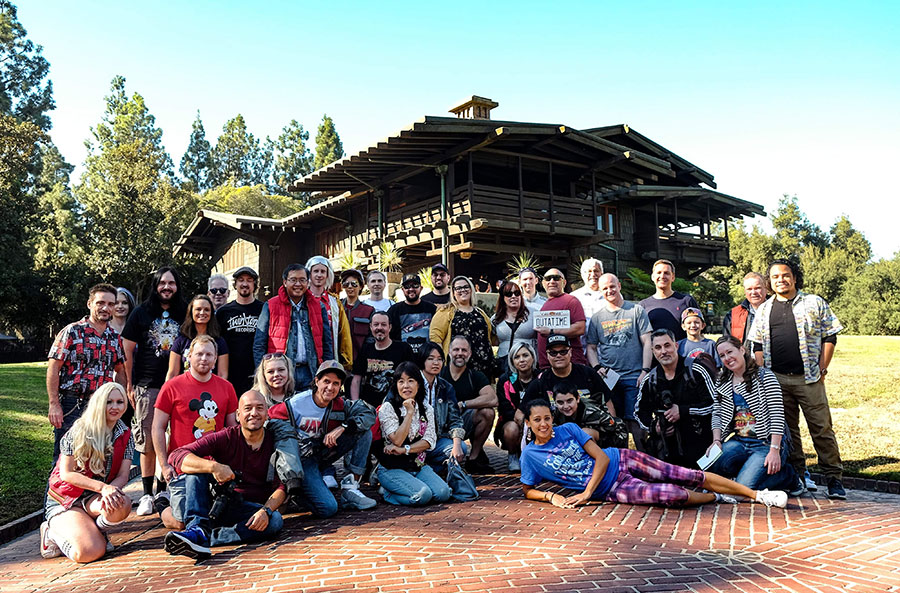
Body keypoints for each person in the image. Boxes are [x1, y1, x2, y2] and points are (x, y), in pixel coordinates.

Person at [519, 399, 788, 509]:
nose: (544, 424)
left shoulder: (569, 429)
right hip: (612, 489)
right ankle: (717, 496)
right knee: (670, 495)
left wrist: (587, 493)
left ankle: (758, 496)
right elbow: (527, 489)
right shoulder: (530, 455)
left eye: (547, 418)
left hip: (620, 459)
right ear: (528, 423)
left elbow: (600, 457)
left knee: (684, 474)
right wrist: (551, 496)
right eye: (537, 420)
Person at [747, 258, 846, 499]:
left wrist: (822, 367)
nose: (780, 280)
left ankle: (834, 479)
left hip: (809, 378)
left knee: (821, 429)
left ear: (794, 277)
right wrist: (763, 375)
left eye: (785, 275)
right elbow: (757, 345)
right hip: (776, 380)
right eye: (775, 277)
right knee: (788, 431)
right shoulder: (764, 309)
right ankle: (799, 476)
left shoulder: (814, 302)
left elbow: (830, 336)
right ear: (769, 281)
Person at [163, 391, 286, 560]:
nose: (254, 413)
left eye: (259, 408)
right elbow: (177, 455)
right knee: (196, 469)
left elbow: (282, 486)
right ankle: (196, 529)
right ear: (238, 414)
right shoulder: (227, 436)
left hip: (249, 509)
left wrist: (266, 510)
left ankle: (205, 538)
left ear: (267, 413)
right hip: (216, 504)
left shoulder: (276, 442)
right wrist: (214, 467)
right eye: (248, 408)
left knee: (275, 521)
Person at [268, 361, 377, 515]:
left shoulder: (340, 404)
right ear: (316, 381)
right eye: (326, 381)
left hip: (323, 453)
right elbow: (269, 419)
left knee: (364, 432)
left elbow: (369, 413)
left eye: (336, 383)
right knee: (328, 508)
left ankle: (351, 488)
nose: (330, 387)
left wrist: (343, 427)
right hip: (302, 461)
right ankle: (298, 495)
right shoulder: (297, 403)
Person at [40, 383, 133, 563]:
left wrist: (110, 491)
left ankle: (98, 531)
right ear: (99, 403)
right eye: (109, 402)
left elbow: (123, 475)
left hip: (93, 498)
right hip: (66, 500)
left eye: (120, 402)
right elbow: (66, 474)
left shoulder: (126, 434)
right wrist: (103, 488)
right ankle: (50, 533)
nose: (115, 407)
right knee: (89, 552)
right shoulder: (80, 430)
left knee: (121, 503)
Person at [153, 335, 239, 529]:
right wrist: (164, 465)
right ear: (188, 356)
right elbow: (157, 427)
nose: (204, 358)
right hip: (183, 466)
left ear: (216, 359)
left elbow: (232, 429)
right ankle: (162, 504)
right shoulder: (172, 386)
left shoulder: (227, 388)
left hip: (215, 465)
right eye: (199, 354)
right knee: (183, 522)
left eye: (209, 354)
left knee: (218, 517)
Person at [121, 266, 186, 516]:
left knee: (174, 438)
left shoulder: (184, 311)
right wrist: (128, 384)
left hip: (178, 385)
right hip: (147, 385)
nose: (166, 288)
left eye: (171, 283)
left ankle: (164, 488)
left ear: (177, 286)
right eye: (162, 283)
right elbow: (126, 350)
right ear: (155, 286)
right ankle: (147, 493)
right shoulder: (141, 312)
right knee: (147, 440)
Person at [47, 283, 125, 465]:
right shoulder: (72, 331)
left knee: (96, 459)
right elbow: (53, 368)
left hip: (100, 406)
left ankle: (89, 494)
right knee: (63, 459)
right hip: (72, 404)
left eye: (111, 304)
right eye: (100, 303)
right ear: (90, 303)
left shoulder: (114, 337)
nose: (106, 308)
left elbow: (120, 371)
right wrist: (54, 404)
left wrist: (120, 401)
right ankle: (54, 495)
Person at [708, 336, 798, 493]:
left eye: (730, 352)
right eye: (722, 355)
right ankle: (745, 473)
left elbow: (777, 415)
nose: (727, 358)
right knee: (711, 469)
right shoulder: (722, 380)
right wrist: (717, 440)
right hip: (740, 441)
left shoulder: (765, 377)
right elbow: (717, 413)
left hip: (766, 443)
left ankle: (789, 476)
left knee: (744, 489)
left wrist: (774, 450)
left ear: (742, 350)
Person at [586, 272, 653, 447]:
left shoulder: (636, 310)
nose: (609, 290)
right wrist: (596, 367)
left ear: (619, 286)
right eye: (605, 288)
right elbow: (591, 347)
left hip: (634, 375)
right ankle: (619, 459)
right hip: (609, 378)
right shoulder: (597, 318)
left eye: (612, 286)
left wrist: (645, 371)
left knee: (635, 420)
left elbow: (647, 342)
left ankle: (642, 457)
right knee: (613, 422)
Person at [375, 362, 453, 506]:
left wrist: (406, 450)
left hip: (417, 466)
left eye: (411, 381)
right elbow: (397, 440)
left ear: (418, 384)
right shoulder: (388, 408)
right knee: (423, 495)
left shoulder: (426, 408)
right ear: (396, 385)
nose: (406, 386)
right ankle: (388, 494)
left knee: (443, 493)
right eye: (401, 381)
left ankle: (406, 488)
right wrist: (409, 412)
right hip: (391, 468)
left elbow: (429, 441)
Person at [635, 330, 715, 469]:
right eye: (658, 348)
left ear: (676, 346)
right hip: (667, 448)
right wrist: (655, 428)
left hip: (700, 442)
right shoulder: (650, 379)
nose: (664, 351)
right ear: (653, 351)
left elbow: (715, 405)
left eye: (667, 345)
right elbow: (639, 412)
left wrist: (683, 411)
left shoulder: (696, 370)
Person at [253, 264, 334, 390]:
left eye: (302, 280)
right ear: (285, 282)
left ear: (308, 283)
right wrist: (262, 373)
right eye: (293, 280)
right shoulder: (270, 305)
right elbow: (259, 344)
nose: (298, 284)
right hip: (281, 374)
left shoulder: (318, 306)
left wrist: (328, 371)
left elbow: (327, 342)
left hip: (311, 371)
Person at [440, 335, 497, 474]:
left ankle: (474, 459)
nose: (460, 353)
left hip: (464, 421)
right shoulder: (439, 373)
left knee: (488, 413)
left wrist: (464, 404)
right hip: (440, 423)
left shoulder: (475, 376)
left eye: (464, 350)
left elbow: (493, 399)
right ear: (449, 351)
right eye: (456, 349)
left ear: (470, 353)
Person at [525, 334, 613, 412]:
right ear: (547, 355)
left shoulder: (588, 374)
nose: (558, 356)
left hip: (586, 426)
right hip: (554, 428)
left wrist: (613, 427)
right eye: (553, 353)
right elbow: (521, 412)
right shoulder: (541, 380)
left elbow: (607, 401)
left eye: (563, 351)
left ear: (570, 352)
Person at [430, 275, 495, 379]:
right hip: (458, 367)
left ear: (471, 289)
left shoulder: (480, 313)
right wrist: (440, 363)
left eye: (466, 287)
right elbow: (435, 339)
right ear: (453, 292)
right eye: (458, 288)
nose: (462, 290)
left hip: (484, 366)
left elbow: (490, 336)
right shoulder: (446, 311)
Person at [215, 266, 264, 397]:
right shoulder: (223, 312)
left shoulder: (264, 309)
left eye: (249, 280)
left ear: (255, 284)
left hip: (256, 372)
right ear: (235, 284)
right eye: (241, 280)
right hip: (230, 372)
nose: (244, 284)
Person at [351, 311, 416, 408]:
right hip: (369, 408)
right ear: (371, 327)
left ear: (390, 327)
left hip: (396, 407)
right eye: (376, 324)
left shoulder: (403, 349)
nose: (379, 328)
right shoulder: (365, 349)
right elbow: (356, 380)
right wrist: (355, 404)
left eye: (383, 325)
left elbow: (414, 379)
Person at [419, 342, 467, 470]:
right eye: (430, 359)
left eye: (439, 359)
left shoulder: (446, 387)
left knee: (461, 447)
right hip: (413, 442)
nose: (436, 363)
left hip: (436, 440)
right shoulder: (411, 383)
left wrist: (456, 445)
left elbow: (455, 419)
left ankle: (428, 468)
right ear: (422, 360)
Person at [495, 341, 538, 472]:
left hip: (535, 421)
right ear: (512, 361)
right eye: (517, 357)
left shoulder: (541, 377)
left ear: (533, 357)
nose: (522, 360)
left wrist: (528, 419)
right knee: (511, 429)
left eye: (525, 355)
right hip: (512, 422)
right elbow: (504, 407)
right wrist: (519, 420)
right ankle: (513, 455)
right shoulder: (505, 380)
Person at [166, 294, 229, 382]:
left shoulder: (220, 342)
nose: (202, 313)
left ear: (211, 313)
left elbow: (222, 374)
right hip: (185, 390)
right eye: (198, 309)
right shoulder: (180, 341)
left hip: (210, 392)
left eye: (206, 310)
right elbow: (172, 373)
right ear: (191, 312)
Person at [306, 255, 353, 369]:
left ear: (328, 275)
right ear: (309, 274)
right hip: (306, 359)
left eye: (323, 271)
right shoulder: (301, 299)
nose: (319, 275)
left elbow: (343, 332)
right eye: (315, 271)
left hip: (330, 357)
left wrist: (346, 362)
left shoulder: (334, 302)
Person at [536, 268, 587, 368]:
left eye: (556, 278)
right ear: (543, 283)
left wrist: (552, 331)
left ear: (564, 282)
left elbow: (580, 328)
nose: (552, 281)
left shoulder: (571, 301)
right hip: (548, 367)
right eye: (548, 278)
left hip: (570, 366)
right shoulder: (544, 305)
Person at [639, 259, 700, 341]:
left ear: (673, 277)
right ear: (653, 277)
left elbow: (698, 331)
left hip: (683, 352)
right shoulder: (643, 306)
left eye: (666, 273)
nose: (662, 276)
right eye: (659, 273)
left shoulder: (686, 301)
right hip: (655, 353)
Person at [552, 383, 627, 449]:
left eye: (569, 401)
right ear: (555, 402)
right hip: (583, 439)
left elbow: (613, 427)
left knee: (585, 433)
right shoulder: (557, 413)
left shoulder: (592, 412)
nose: (565, 406)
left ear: (577, 398)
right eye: (560, 402)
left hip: (615, 437)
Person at [492, 280, 536, 378]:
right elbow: (492, 339)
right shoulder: (496, 318)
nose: (513, 296)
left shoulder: (534, 314)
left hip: (529, 364)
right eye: (508, 294)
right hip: (504, 363)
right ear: (503, 298)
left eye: (517, 293)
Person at [388, 273, 437, 355]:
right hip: (403, 359)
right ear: (403, 289)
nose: (411, 289)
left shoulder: (431, 308)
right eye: (407, 287)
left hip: (427, 358)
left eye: (415, 285)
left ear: (421, 288)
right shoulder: (394, 310)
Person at [722, 272, 767, 344]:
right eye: (749, 289)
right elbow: (727, 344)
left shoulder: (777, 310)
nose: (753, 292)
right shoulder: (733, 315)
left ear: (766, 289)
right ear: (745, 291)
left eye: (757, 288)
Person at [340, 268, 374, 361]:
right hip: (338, 362)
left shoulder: (369, 310)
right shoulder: (335, 307)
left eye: (354, 284)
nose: (350, 287)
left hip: (360, 361)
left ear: (361, 286)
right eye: (346, 284)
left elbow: (371, 339)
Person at [571, 258, 605, 344]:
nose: (593, 274)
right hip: (582, 348)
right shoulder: (573, 297)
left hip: (606, 349)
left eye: (596, 271)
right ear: (582, 275)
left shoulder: (612, 295)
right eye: (589, 271)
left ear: (602, 273)